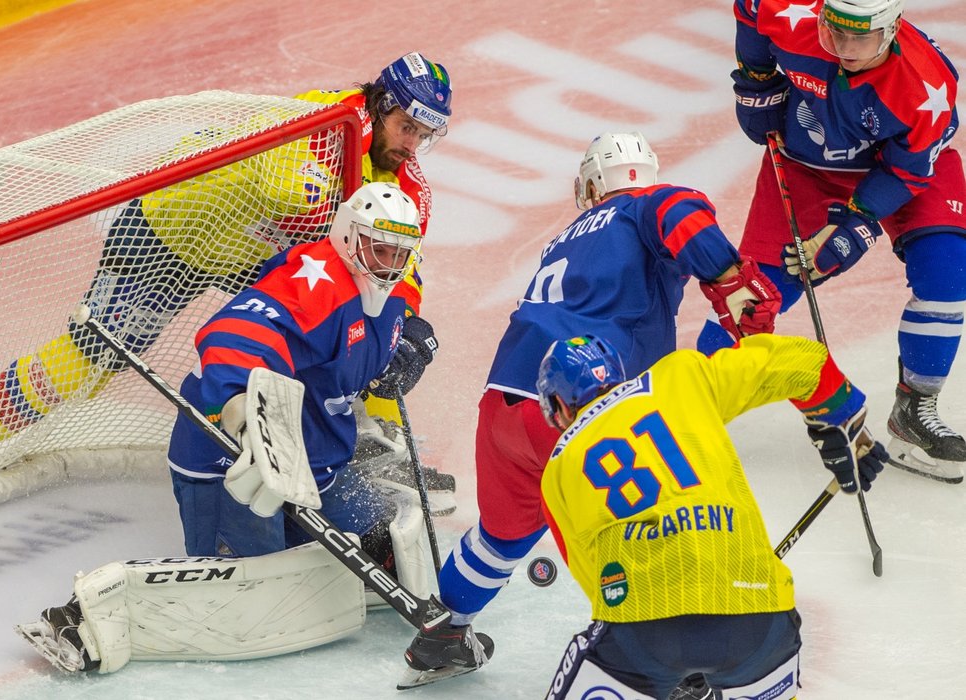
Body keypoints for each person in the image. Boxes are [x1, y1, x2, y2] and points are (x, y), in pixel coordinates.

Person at [14, 182, 481, 676]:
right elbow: (232, 334)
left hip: (313, 460)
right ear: (348, 237)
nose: (388, 262)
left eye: (398, 253)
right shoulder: (316, 284)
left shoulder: (384, 295)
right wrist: (238, 406)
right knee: (253, 586)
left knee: (381, 527)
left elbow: (383, 329)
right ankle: (83, 617)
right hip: (233, 458)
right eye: (378, 248)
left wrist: (408, 341)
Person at [0, 52, 454, 497]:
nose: (413, 144)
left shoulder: (406, 179)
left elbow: (398, 264)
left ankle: (380, 448)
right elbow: (292, 198)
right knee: (95, 355)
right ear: (380, 103)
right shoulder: (325, 117)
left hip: (249, 249)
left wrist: (405, 319)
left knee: (366, 321)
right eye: (407, 127)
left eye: (424, 135)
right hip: (171, 229)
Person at [400, 131, 783, 687]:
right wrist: (730, 283)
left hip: (508, 403)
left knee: (502, 537)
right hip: (585, 405)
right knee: (651, 526)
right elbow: (679, 211)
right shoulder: (643, 204)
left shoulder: (567, 238)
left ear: (591, 182)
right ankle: (670, 662)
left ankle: (444, 635)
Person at [695, 0, 966, 482]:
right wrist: (756, 80)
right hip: (808, 167)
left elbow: (907, 171)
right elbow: (752, 8)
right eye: (834, 34)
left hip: (899, 172)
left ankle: (913, 412)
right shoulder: (795, 14)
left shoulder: (927, 85)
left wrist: (854, 228)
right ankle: (681, 421)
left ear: (892, 29)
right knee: (750, 299)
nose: (843, 49)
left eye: (859, 39)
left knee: (948, 270)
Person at [537, 333, 888, 700]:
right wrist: (845, 429)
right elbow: (805, 362)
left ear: (559, 405)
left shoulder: (557, 469)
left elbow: (597, 585)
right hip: (759, 619)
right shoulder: (679, 376)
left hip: (645, 631)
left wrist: (677, 660)